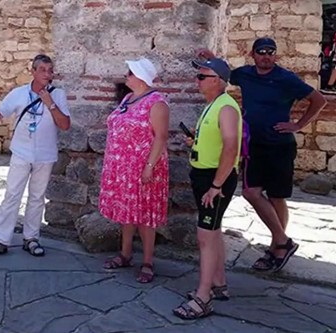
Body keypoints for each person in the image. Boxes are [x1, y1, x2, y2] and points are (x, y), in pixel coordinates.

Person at [198, 38, 326, 272]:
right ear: (253, 54)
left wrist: (298, 125)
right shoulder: (245, 74)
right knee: (250, 192)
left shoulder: (286, 78)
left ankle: (276, 247)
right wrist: (212, 57)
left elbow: (319, 100)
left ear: (275, 55)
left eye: (270, 52)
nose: (266, 56)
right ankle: (282, 241)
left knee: (277, 197)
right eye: (261, 52)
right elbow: (222, 75)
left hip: (280, 145)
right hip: (254, 146)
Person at [0, 54, 71, 257]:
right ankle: (1, 239)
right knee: (12, 195)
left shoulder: (58, 95)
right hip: (21, 152)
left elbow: (64, 125)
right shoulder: (19, 94)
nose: (47, 74)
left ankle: (31, 238)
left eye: (50, 70)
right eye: (43, 70)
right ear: (33, 72)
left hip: (45, 154)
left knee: (37, 197)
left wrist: (50, 103)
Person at [173, 58, 242, 320]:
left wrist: (216, 186)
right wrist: (196, 142)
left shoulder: (225, 107)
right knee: (212, 232)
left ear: (218, 80)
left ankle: (203, 297)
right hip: (206, 176)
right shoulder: (214, 105)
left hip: (215, 180)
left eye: (202, 76)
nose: (197, 80)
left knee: (205, 236)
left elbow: (231, 148)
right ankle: (219, 284)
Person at [98, 58, 169, 284]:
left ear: (140, 77)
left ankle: (148, 262)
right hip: (123, 168)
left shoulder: (157, 102)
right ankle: (125, 254)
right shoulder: (129, 98)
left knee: (145, 216)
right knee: (126, 211)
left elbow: (161, 137)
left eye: (130, 72)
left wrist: (149, 166)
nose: (126, 76)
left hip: (144, 168)